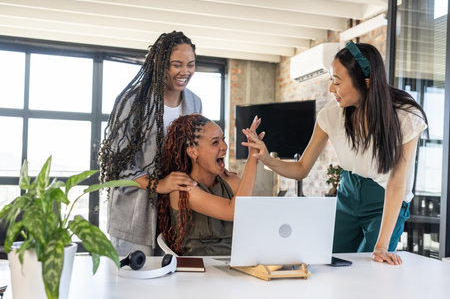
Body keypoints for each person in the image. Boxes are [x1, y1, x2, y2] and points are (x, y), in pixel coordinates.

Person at [242, 41, 428, 265]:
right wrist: (266, 158)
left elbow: (397, 182)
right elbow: (301, 169)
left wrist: (381, 245)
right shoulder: (332, 113)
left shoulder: (406, 116)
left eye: (337, 82)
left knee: (373, 266)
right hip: (348, 197)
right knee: (328, 263)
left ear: (366, 83)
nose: (331, 89)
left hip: (385, 201)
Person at [98, 31, 202, 256]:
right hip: (134, 218)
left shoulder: (195, 102)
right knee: (132, 288)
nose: (185, 71)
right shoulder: (132, 102)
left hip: (174, 216)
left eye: (191, 64)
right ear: (158, 62)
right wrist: (159, 184)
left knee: (172, 287)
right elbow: (116, 164)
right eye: (177, 64)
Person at [157, 114, 263, 255]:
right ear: (193, 152)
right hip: (199, 269)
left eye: (223, 139)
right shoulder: (183, 189)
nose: (224, 147)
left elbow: (250, 219)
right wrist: (253, 157)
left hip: (236, 264)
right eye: (215, 142)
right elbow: (233, 211)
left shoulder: (231, 182)